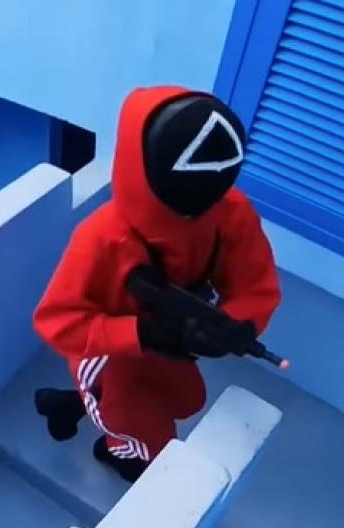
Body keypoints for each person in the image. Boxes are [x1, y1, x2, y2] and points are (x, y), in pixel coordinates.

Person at [32, 86, 281, 482]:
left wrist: (238, 324)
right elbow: (56, 321)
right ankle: (119, 453)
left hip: (170, 342)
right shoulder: (101, 238)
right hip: (107, 352)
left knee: (187, 400)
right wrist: (140, 332)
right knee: (145, 434)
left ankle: (71, 404)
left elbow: (256, 285)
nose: (201, 206)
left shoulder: (231, 213)